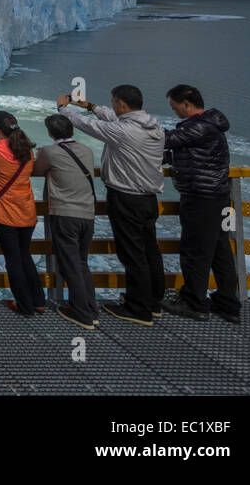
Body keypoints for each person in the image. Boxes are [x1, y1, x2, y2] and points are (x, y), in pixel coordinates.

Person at [57, 85, 166, 326]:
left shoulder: (124, 132)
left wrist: (63, 109)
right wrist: (90, 106)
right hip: (148, 199)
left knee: (132, 254)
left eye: (114, 102)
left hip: (127, 198)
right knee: (150, 251)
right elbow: (111, 119)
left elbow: (90, 126)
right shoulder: (154, 125)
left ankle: (138, 309)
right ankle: (153, 302)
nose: (113, 107)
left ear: (122, 105)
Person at [161, 85, 240, 324]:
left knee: (196, 251)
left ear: (187, 102)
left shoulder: (198, 126)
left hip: (201, 197)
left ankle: (194, 303)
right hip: (217, 196)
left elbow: (165, 140)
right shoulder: (208, 125)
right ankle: (227, 304)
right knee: (219, 250)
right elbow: (185, 152)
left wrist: (134, 126)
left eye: (174, 106)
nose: (174, 111)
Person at [0, 111, 43, 316]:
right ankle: (39, 300)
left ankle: (24, 305)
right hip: (27, 211)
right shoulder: (26, 150)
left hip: (5, 214)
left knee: (13, 261)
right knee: (25, 256)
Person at [34, 114, 98, 329]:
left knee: (70, 264)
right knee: (81, 262)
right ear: (72, 131)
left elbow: (36, 170)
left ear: (50, 133)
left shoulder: (49, 152)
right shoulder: (87, 151)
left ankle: (82, 314)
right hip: (87, 214)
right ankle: (91, 308)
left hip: (65, 214)